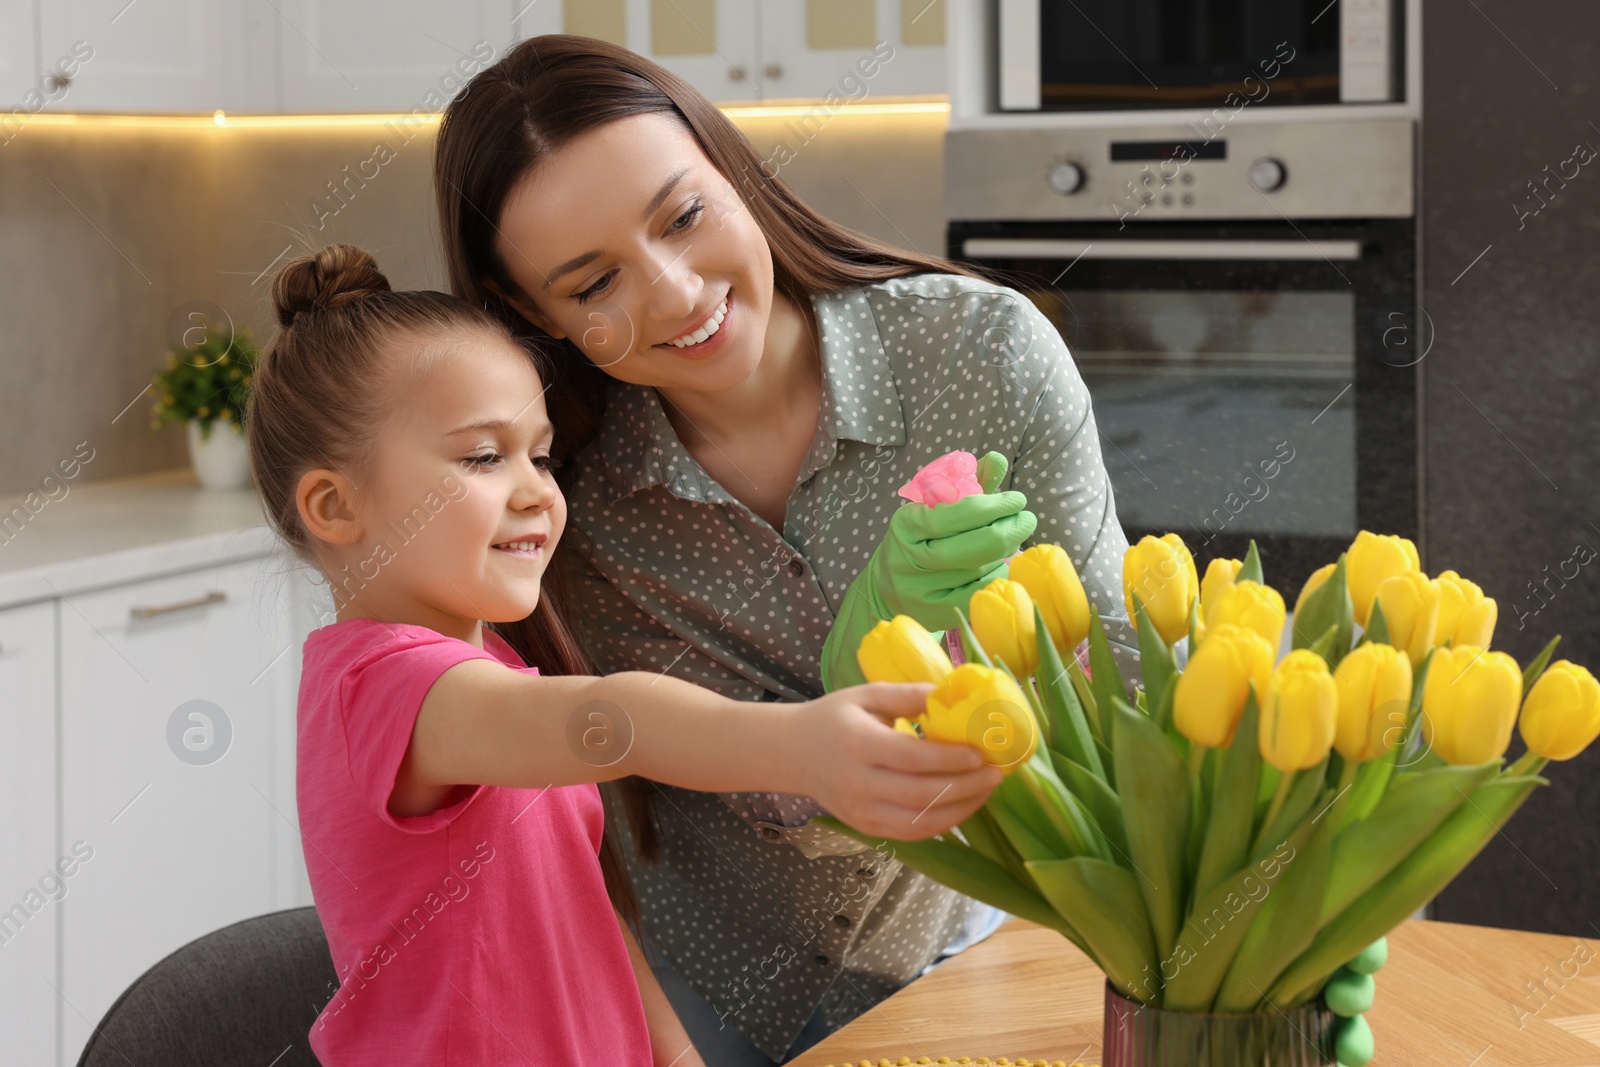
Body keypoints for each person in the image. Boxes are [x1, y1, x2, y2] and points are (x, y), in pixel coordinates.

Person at [432, 36, 1144, 1063]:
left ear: (733, 169)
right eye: (593, 285)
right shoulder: (563, 503)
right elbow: (650, 792)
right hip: (705, 996)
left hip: (970, 960)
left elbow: (1112, 671)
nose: (676, 293)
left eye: (683, 215)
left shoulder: (979, 352)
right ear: (527, 313)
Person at [245, 243, 1002, 1065]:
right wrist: (800, 745)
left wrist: (675, 1055)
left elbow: (588, 907)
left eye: (539, 455)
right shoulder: (384, 689)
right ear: (333, 505)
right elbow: (616, 718)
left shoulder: (487, 673)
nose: (538, 488)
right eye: (482, 456)